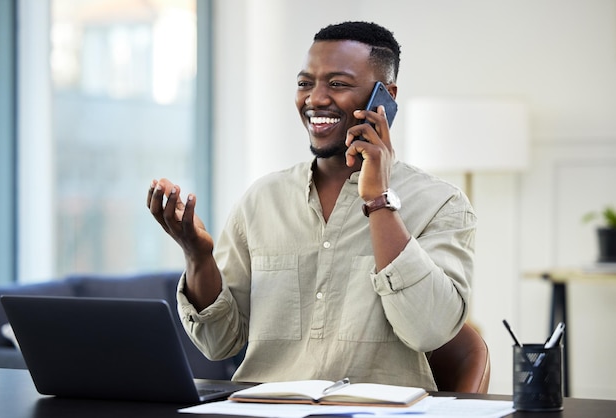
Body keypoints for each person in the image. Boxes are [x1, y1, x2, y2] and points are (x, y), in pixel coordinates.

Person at [147, 21, 476, 390]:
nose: (315, 99)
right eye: (305, 83)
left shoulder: (442, 204)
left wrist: (378, 200)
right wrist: (197, 256)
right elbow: (218, 343)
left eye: (337, 84)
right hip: (262, 412)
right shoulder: (262, 200)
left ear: (386, 96)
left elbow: (429, 330)